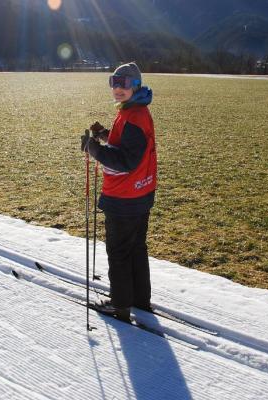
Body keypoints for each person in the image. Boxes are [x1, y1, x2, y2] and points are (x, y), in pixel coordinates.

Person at [81, 62, 157, 322]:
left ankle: (121, 305)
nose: (117, 88)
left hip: (125, 198)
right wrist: (105, 135)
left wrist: (95, 150)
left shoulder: (133, 116)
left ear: (136, 86)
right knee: (136, 247)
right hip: (140, 193)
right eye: (114, 82)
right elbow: (128, 143)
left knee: (119, 251)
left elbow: (125, 161)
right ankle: (139, 299)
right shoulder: (134, 111)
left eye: (124, 83)